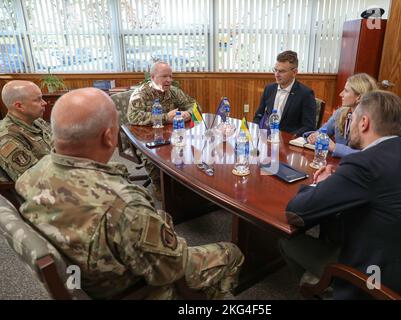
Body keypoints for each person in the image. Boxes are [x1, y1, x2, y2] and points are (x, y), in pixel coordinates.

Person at [15, 88, 244, 300]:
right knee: (231, 252)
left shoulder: (31, 175)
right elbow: (171, 269)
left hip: (85, 279)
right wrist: (161, 222)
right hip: (133, 291)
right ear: (108, 137)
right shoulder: (125, 206)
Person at [279, 90, 401, 299]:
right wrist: (340, 179)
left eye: (352, 118)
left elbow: (296, 212)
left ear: (364, 123)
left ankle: (322, 293)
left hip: (386, 284)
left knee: (286, 240)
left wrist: (319, 184)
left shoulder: (365, 164)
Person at [127, 61, 198, 200]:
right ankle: (158, 184)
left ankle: (184, 183)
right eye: (164, 76)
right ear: (153, 77)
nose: (169, 80)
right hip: (146, 137)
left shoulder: (173, 91)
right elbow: (133, 117)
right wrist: (165, 117)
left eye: (171, 76)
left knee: (190, 148)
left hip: (170, 134)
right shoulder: (141, 94)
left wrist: (188, 114)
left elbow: (194, 105)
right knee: (152, 157)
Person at [304, 73, 378, 158]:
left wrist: (334, 147)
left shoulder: (372, 121)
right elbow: (323, 132)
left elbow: (367, 156)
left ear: (359, 98)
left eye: (346, 91)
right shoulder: (340, 113)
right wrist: (313, 136)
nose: (341, 94)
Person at [253, 50, 316, 137]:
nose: (276, 74)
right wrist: (257, 132)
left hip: (289, 142)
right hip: (267, 138)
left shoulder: (306, 94)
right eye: (275, 70)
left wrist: (287, 137)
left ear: (294, 72)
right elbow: (258, 116)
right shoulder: (269, 88)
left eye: (282, 71)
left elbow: (309, 126)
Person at [0, 80, 52, 181]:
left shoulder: (37, 121)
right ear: (19, 106)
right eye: (38, 100)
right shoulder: (6, 139)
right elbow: (33, 180)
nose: (44, 103)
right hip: (45, 189)